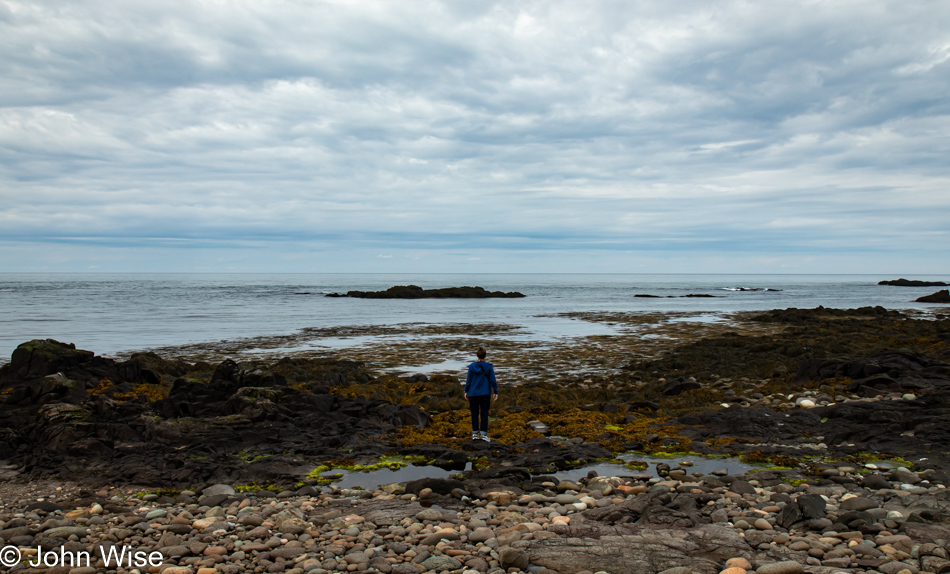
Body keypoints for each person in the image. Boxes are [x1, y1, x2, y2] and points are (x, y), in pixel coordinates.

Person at [464, 346, 498, 442]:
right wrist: (495, 391)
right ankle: (483, 435)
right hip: (485, 393)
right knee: (484, 413)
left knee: (474, 413)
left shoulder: (471, 367)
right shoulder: (489, 366)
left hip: (473, 393)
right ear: (486, 356)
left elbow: (468, 380)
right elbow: (493, 380)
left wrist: (466, 391)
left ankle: (475, 434)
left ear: (476, 355)